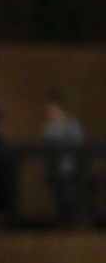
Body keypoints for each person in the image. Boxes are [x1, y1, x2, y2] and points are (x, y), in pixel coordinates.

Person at [42, 92, 87, 227]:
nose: (49, 111)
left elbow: (78, 142)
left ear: (59, 107)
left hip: (71, 167)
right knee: (59, 197)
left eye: (52, 108)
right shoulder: (48, 127)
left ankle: (76, 222)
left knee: (73, 195)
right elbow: (46, 146)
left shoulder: (73, 124)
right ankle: (63, 223)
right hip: (55, 169)